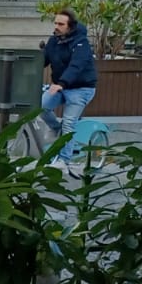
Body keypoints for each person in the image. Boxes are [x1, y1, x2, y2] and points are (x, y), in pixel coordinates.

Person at [40, 10, 98, 168]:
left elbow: (76, 66)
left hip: (81, 89)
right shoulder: (54, 41)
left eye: (61, 24)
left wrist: (62, 83)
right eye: (55, 23)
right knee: (41, 106)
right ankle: (57, 129)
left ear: (70, 26)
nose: (56, 26)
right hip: (61, 87)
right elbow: (43, 60)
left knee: (69, 123)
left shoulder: (81, 43)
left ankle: (64, 161)